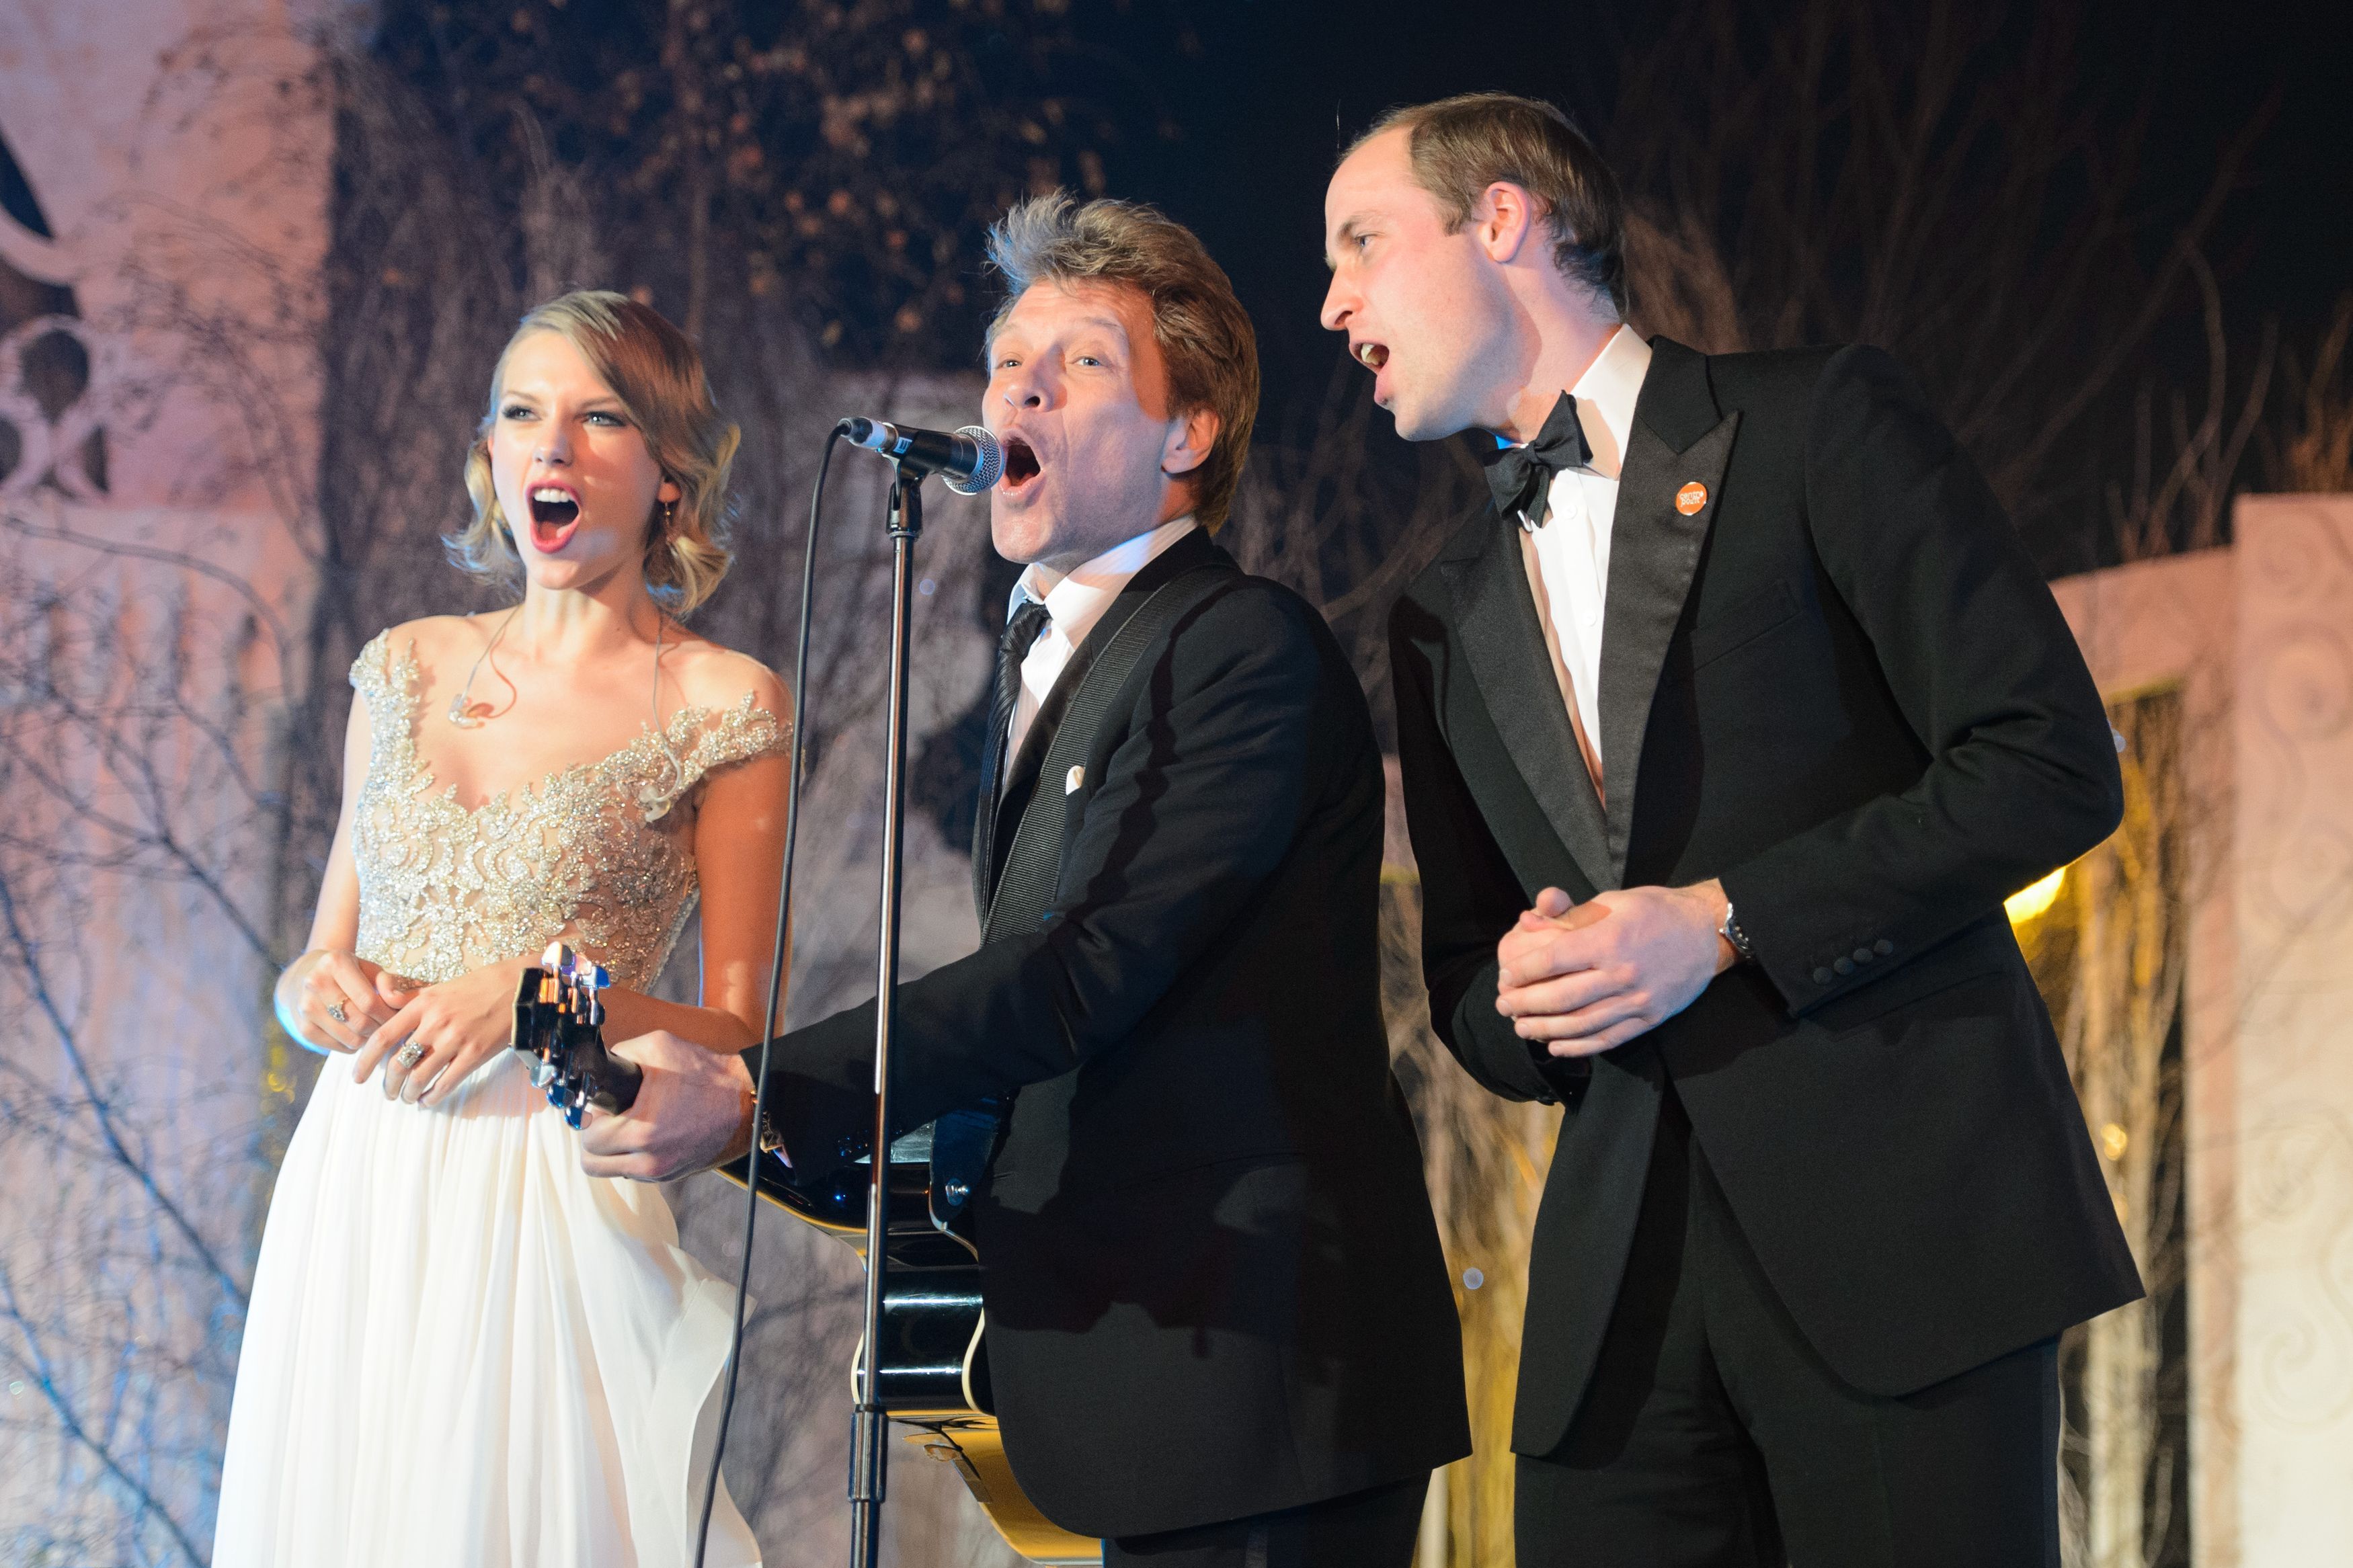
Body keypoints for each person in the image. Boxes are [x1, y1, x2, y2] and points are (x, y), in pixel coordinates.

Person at [580, 193, 1471, 1568]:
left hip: (1257, 1370)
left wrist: (768, 1086)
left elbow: (1086, 966)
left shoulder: (1242, 647)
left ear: (1188, 433)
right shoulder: (1050, 660)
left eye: (1082, 363)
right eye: (1007, 361)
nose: (1020, 386)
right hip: (1149, 1365)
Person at [1321, 94, 2141, 1566]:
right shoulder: (1436, 609)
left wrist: (1720, 919)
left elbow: (2049, 763)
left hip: (1904, 1245)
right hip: (1615, 1311)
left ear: (1499, 219)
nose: (1332, 303)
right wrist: (1520, 1001)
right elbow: (1463, 974)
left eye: (1361, 245)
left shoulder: (1822, 421)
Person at [215, 290, 789, 1568]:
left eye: (598, 418)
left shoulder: (723, 700)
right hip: (360, 1174)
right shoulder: (405, 666)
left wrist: (546, 990)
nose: (554, 447)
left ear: (669, 477)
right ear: (488, 457)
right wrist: (312, 992)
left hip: (548, 1189)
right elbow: (320, 954)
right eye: (524, 414)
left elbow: (744, 1031)